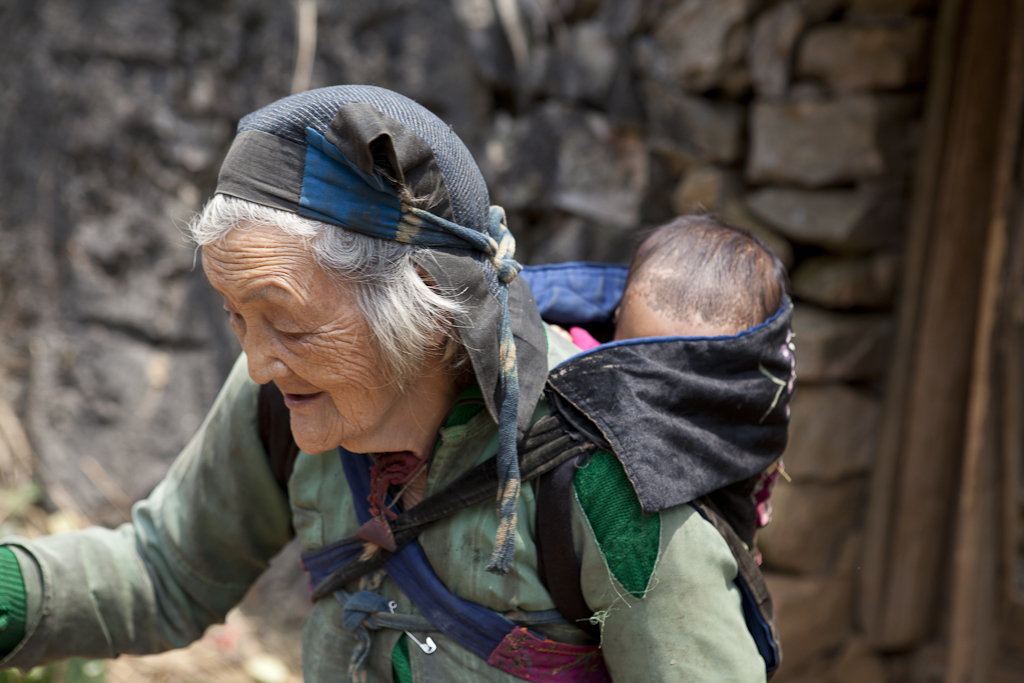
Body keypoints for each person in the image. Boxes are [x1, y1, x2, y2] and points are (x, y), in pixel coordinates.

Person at [0, 86, 780, 682]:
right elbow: (164, 570)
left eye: (290, 323)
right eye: (237, 318)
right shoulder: (283, 398)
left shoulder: (612, 489)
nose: (261, 361)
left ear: (423, 306)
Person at [552, 215, 791, 546]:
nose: (652, 395)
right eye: (631, 360)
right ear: (617, 316)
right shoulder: (574, 352)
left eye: (679, 389)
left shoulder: (746, 426)